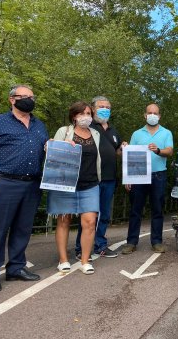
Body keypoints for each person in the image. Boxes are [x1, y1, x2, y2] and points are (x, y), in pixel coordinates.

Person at [0, 84, 48, 292]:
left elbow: (48, 149)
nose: (30, 100)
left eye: (32, 97)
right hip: (4, 182)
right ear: (12, 99)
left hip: (32, 184)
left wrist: (61, 148)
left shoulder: (40, 125)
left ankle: (16, 268)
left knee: (23, 229)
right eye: (25, 97)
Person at [47, 101, 101, 275]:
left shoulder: (95, 133)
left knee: (90, 222)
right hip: (65, 184)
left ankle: (85, 260)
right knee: (64, 221)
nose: (86, 117)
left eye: (88, 113)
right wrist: (49, 144)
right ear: (73, 116)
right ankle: (63, 260)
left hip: (91, 183)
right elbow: (52, 149)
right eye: (81, 113)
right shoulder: (64, 131)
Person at [75, 96, 126, 260]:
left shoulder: (113, 130)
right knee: (89, 215)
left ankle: (100, 246)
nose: (105, 109)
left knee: (104, 214)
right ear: (93, 108)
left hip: (110, 178)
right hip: (91, 178)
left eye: (108, 107)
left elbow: (116, 152)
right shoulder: (88, 126)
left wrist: (123, 149)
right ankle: (80, 248)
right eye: (101, 106)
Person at [121, 103, 173, 254]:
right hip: (138, 175)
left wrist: (158, 150)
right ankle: (131, 242)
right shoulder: (137, 134)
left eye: (155, 113)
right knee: (135, 210)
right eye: (149, 112)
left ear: (159, 116)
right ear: (144, 115)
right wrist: (128, 178)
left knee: (157, 209)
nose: (152, 115)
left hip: (159, 175)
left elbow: (169, 151)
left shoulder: (166, 133)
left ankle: (156, 242)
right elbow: (131, 155)